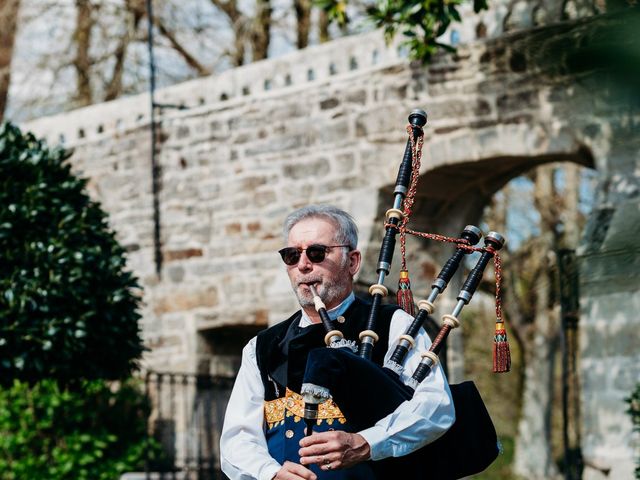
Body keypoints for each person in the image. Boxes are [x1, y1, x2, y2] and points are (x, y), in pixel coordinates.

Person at [220, 205, 454, 480]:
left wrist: (367, 443)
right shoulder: (262, 346)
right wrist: (270, 473)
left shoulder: (394, 324)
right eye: (292, 255)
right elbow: (237, 439)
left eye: (317, 253)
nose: (303, 264)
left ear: (353, 262)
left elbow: (436, 407)